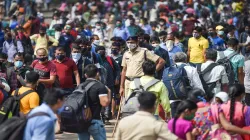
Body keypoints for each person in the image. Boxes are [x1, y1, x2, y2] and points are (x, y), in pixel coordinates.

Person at [78, 64, 111, 140]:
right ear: (97, 73)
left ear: (85, 75)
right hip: (94, 121)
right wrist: (109, 92)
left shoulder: (80, 86)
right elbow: (104, 103)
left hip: (81, 121)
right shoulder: (100, 86)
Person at [96, 45, 120, 123]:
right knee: (99, 101)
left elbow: (117, 69)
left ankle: (107, 117)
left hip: (110, 83)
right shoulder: (95, 60)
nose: (101, 52)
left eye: (103, 50)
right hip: (99, 85)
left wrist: (117, 78)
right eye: (99, 51)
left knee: (109, 100)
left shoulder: (109, 59)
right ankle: (101, 116)